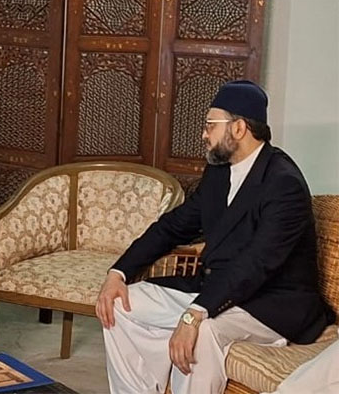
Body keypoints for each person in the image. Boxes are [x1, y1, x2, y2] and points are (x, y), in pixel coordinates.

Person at [94, 80, 335, 393]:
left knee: (204, 331)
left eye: (210, 125)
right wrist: (119, 272)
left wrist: (195, 314)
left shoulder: (283, 183)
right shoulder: (220, 172)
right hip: (217, 291)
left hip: (270, 304)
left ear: (238, 128)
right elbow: (174, 225)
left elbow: (256, 263)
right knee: (121, 304)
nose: (203, 134)